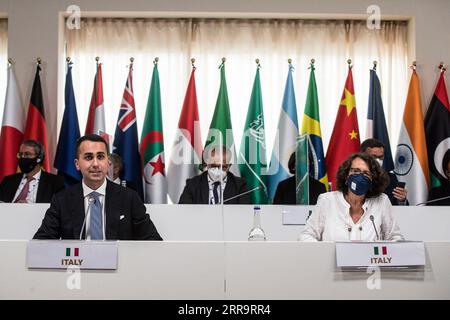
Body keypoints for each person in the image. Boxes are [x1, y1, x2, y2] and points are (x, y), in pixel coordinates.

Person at [33, 134, 162, 240]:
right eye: (88, 157)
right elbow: (41, 242)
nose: (95, 164)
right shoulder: (62, 200)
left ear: (108, 162)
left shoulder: (129, 198)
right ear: (77, 164)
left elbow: (153, 240)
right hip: (78, 268)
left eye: (100, 157)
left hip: (119, 268)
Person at [299, 152, 404, 242]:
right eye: (355, 171)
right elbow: (306, 236)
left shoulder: (382, 201)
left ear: (373, 179)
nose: (360, 176)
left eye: (366, 173)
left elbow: (395, 237)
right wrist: (324, 253)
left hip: (370, 265)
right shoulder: (327, 200)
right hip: (332, 265)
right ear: (346, 174)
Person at [178, 145, 251, 204]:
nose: (217, 170)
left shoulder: (240, 185)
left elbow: (244, 214)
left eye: (223, 167)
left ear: (229, 166)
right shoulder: (192, 185)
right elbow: (183, 212)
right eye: (213, 165)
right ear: (207, 163)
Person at [0, 140, 65, 203]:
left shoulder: (55, 182)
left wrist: (30, 208)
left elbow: (58, 209)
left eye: (27, 154)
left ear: (39, 158)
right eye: (20, 154)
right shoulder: (8, 181)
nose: (22, 157)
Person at [360, 138, 408, 205]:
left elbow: (398, 207)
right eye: (374, 156)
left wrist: (402, 200)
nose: (378, 160)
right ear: (362, 157)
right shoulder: (352, 178)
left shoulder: (391, 178)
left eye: (381, 157)